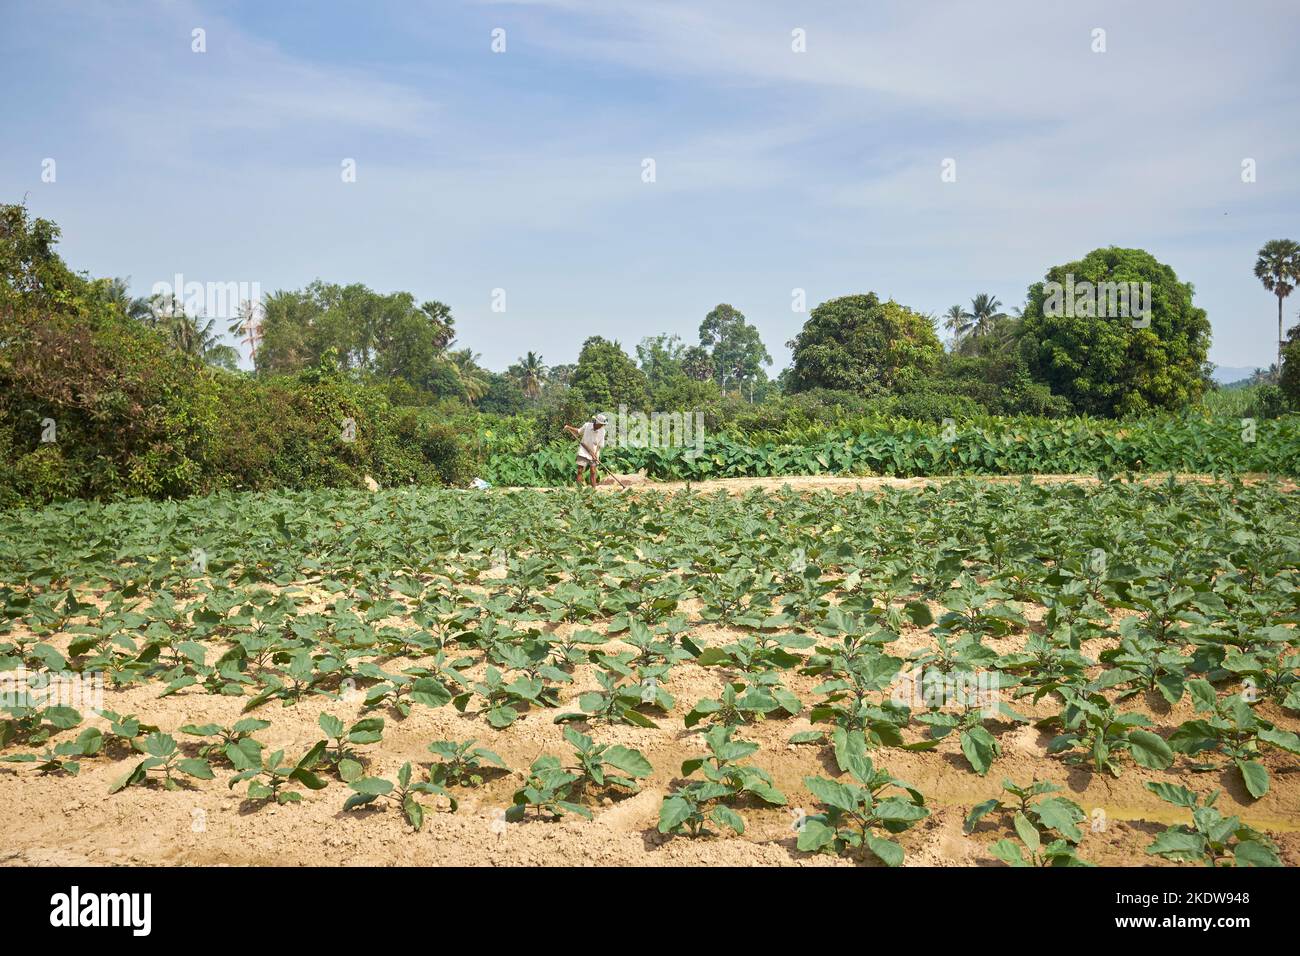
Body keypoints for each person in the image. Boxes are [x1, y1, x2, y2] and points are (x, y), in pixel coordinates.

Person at [563, 413, 607, 488]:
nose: (602, 426)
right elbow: (578, 431)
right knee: (580, 470)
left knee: (593, 471)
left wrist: (595, 454)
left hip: (594, 452)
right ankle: (578, 489)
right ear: (597, 422)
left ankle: (593, 489)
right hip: (583, 450)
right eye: (601, 424)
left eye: (603, 424)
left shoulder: (602, 431)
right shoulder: (587, 425)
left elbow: (599, 445)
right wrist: (568, 427)